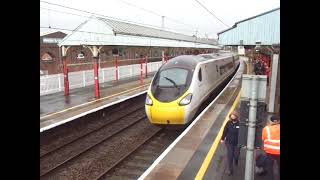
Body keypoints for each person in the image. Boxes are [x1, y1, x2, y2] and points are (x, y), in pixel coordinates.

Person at [221, 111, 241, 176]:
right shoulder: (228, 123)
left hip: (237, 143)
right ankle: (230, 170)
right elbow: (225, 131)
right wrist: (222, 139)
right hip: (229, 142)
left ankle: (236, 160)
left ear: (236, 117)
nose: (232, 117)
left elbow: (243, 134)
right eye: (231, 116)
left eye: (234, 116)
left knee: (236, 155)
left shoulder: (240, 124)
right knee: (230, 156)